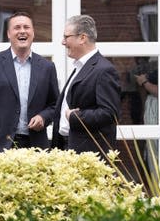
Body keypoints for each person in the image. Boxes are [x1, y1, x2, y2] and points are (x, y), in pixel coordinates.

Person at [0, 11, 60, 151]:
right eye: (17, 27)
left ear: (33, 32)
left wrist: (43, 117)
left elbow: (55, 105)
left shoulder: (47, 67)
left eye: (26, 27)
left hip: (36, 147)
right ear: (8, 34)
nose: (22, 31)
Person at [51, 15, 121, 159]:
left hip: (88, 155)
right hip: (68, 148)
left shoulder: (104, 70)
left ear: (82, 38)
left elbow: (109, 114)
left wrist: (75, 116)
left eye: (66, 37)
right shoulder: (80, 67)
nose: (63, 42)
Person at [135, 68, 159, 180]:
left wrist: (144, 82)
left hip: (158, 108)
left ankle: (158, 182)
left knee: (156, 147)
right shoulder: (153, 72)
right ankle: (153, 180)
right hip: (151, 107)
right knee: (150, 148)